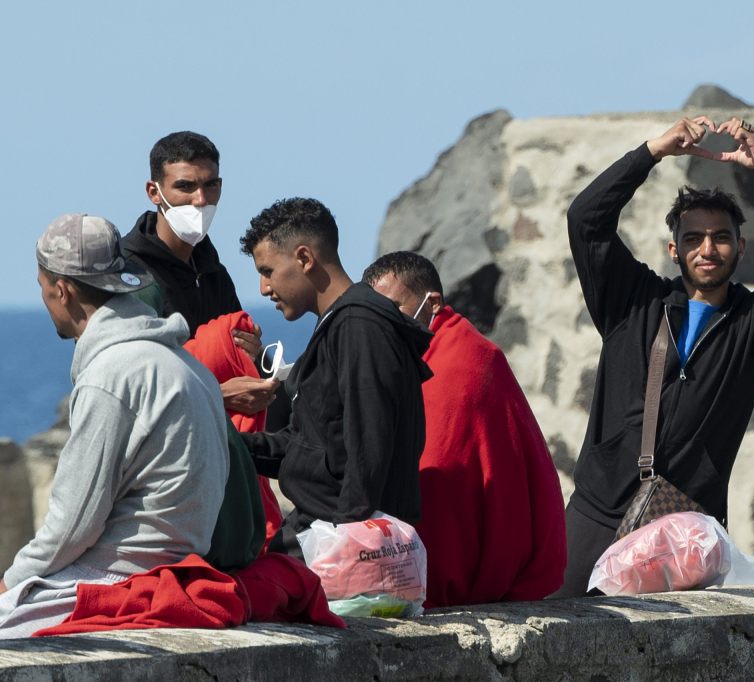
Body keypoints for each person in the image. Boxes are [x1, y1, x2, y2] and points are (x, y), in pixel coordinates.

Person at [555, 116, 754, 597]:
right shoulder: (632, 302)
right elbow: (585, 220)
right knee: (555, 639)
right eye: (693, 238)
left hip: (679, 529)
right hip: (596, 512)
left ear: (740, 248)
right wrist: (653, 151)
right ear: (674, 249)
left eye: (721, 237)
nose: (708, 249)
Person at [0, 214, 229, 637]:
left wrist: (9, 583)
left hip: (118, 577)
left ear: (62, 290)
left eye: (43, 289)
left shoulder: (113, 374)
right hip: (182, 569)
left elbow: (73, 525)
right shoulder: (187, 365)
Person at [364, 251, 567, 606]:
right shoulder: (420, 354)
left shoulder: (463, 359)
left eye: (394, 308)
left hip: (458, 586)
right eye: (375, 313)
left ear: (433, 303)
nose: (384, 323)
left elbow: (439, 475)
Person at [238, 198, 432, 556]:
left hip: (336, 539)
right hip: (318, 530)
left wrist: (346, 549)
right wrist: (230, 444)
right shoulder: (339, 324)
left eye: (267, 271)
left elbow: (369, 448)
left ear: (304, 258)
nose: (264, 288)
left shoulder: (359, 326)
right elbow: (311, 444)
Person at [121, 130, 276, 416]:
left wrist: (253, 353)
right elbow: (130, 384)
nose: (201, 199)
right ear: (154, 192)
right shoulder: (128, 274)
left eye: (210, 185)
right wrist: (220, 395)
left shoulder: (212, 268)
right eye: (185, 186)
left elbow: (236, 355)